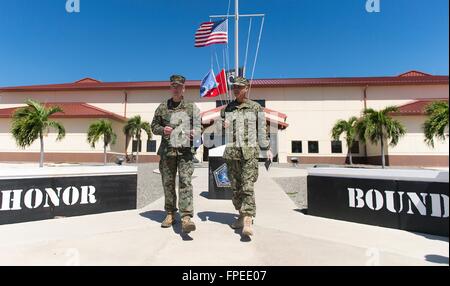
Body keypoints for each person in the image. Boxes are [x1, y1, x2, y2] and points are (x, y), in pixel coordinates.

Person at [220, 76, 273, 237]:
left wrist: (267, 148)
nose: (235, 89)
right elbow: (226, 131)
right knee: (235, 189)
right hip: (232, 154)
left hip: (249, 153)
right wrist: (224, 126)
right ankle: (241, 215)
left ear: (246, 88)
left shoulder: (256, 108)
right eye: (234, 87)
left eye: (238, 87)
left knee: (247, 186)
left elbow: (262, 130)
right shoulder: (228, 108)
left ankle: (248, 219)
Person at [151, 75, 201, 234]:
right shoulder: (162, 107)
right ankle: (170, 213)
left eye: (179, 86)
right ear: (170, 88)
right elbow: (153, 127)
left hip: (185, 152)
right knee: (168, 183)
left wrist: (195, 133)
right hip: (167, 152)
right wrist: (162, 130)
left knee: (186, 182)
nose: (176, 88)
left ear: (184, 88)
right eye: (173, 86)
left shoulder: (192, 108)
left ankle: (186, 217)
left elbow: (200, 128)